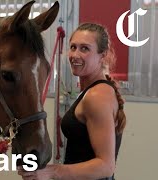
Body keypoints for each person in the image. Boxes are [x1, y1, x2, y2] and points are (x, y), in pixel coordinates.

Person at [18, 23, 126, 180]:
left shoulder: (96, 96)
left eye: (84, 49)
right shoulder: (92, 91)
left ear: (102, 55)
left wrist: (53, 172)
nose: (75, 55)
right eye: (73, 47)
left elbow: (106, 166)